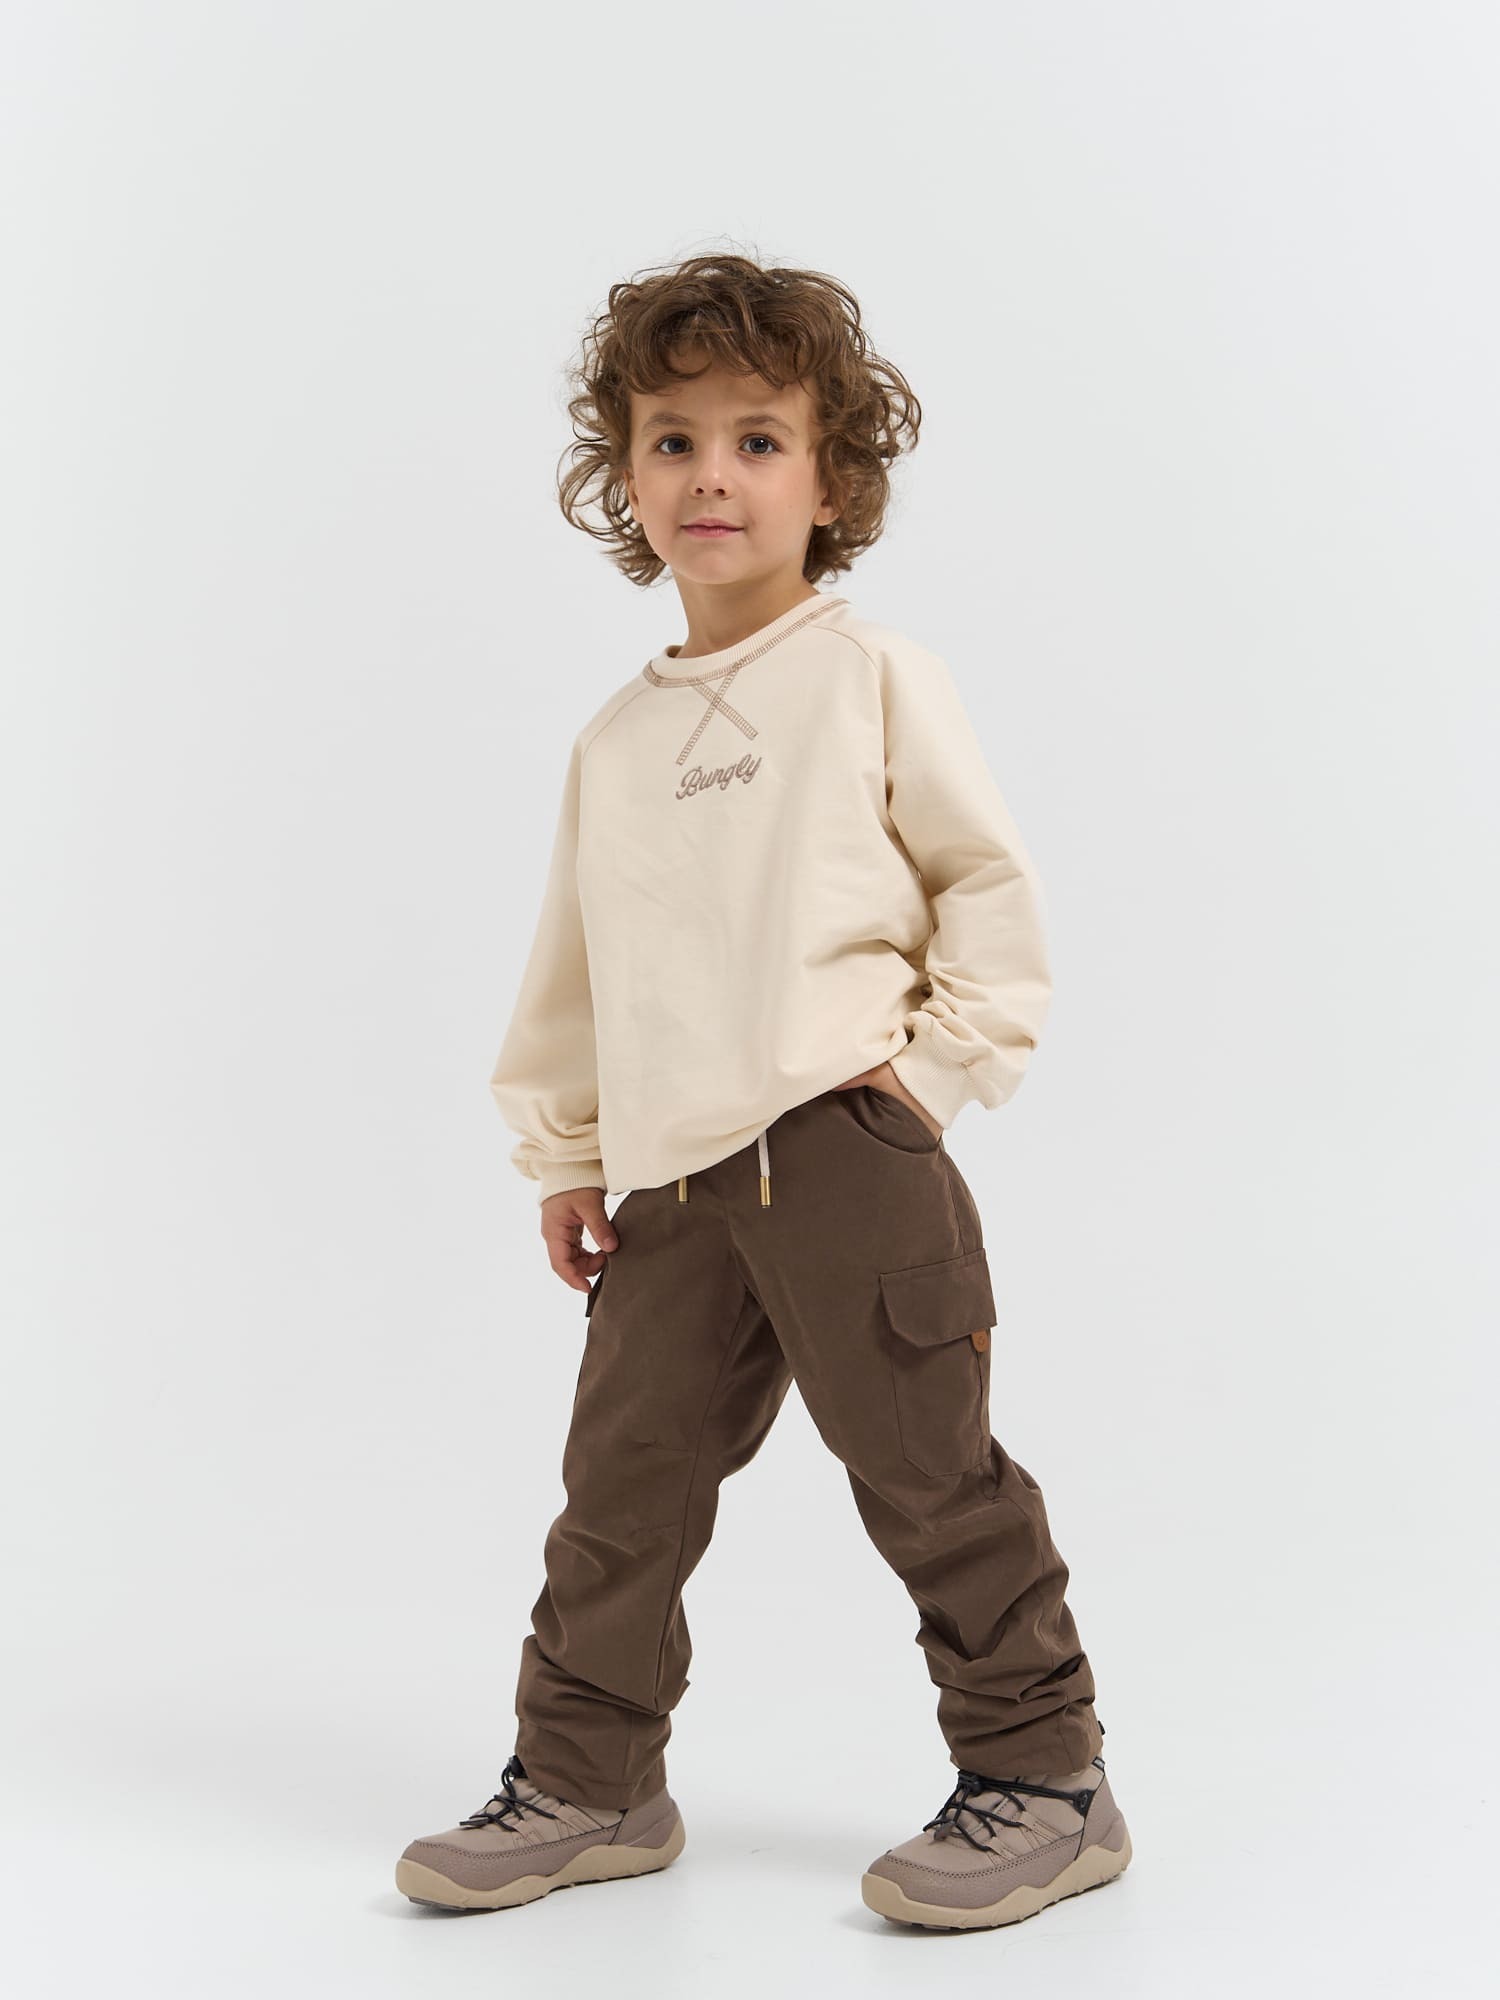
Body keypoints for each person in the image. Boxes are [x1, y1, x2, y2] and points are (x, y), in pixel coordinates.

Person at [395, 251, 1131, 1931]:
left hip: (846, 1154)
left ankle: (1047, 1780)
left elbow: (986, 890)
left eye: (757, 440)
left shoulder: (871, 675)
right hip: (670, 1185)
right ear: (625, 478)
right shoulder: (614, 742)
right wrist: (567, 1155)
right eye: (671, 442)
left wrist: (927, 1083)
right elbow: (577, 970)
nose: (710, 476)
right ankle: (589, 1781)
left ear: (831, 481)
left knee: (929, 1475)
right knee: (621, 1496)